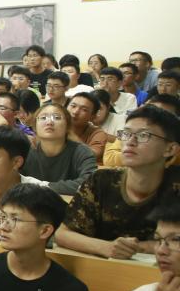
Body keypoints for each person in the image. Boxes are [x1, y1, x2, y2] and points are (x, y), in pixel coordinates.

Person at [57, 105, 180, 259]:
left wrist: (137, 247)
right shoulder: (101, 180)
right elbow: (63, 234)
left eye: (144, 135)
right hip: (104, 267)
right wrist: (106, 247)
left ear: (170, 149)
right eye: (126, 134)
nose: (130, 142)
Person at [22, 102, 97, 195]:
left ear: (67, 126)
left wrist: (44, 186)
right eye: (43, 118)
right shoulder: (25, 152)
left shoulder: (82, 152)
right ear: (35, 127)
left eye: (57, 117)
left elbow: (91, 183)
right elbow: (13, 180)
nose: (49, 122)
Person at [103, 94, 180, 168]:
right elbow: (109, 158)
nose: (130, 142)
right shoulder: (131, 131)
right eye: (149, 112)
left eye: (162, 115)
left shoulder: (173, 140)